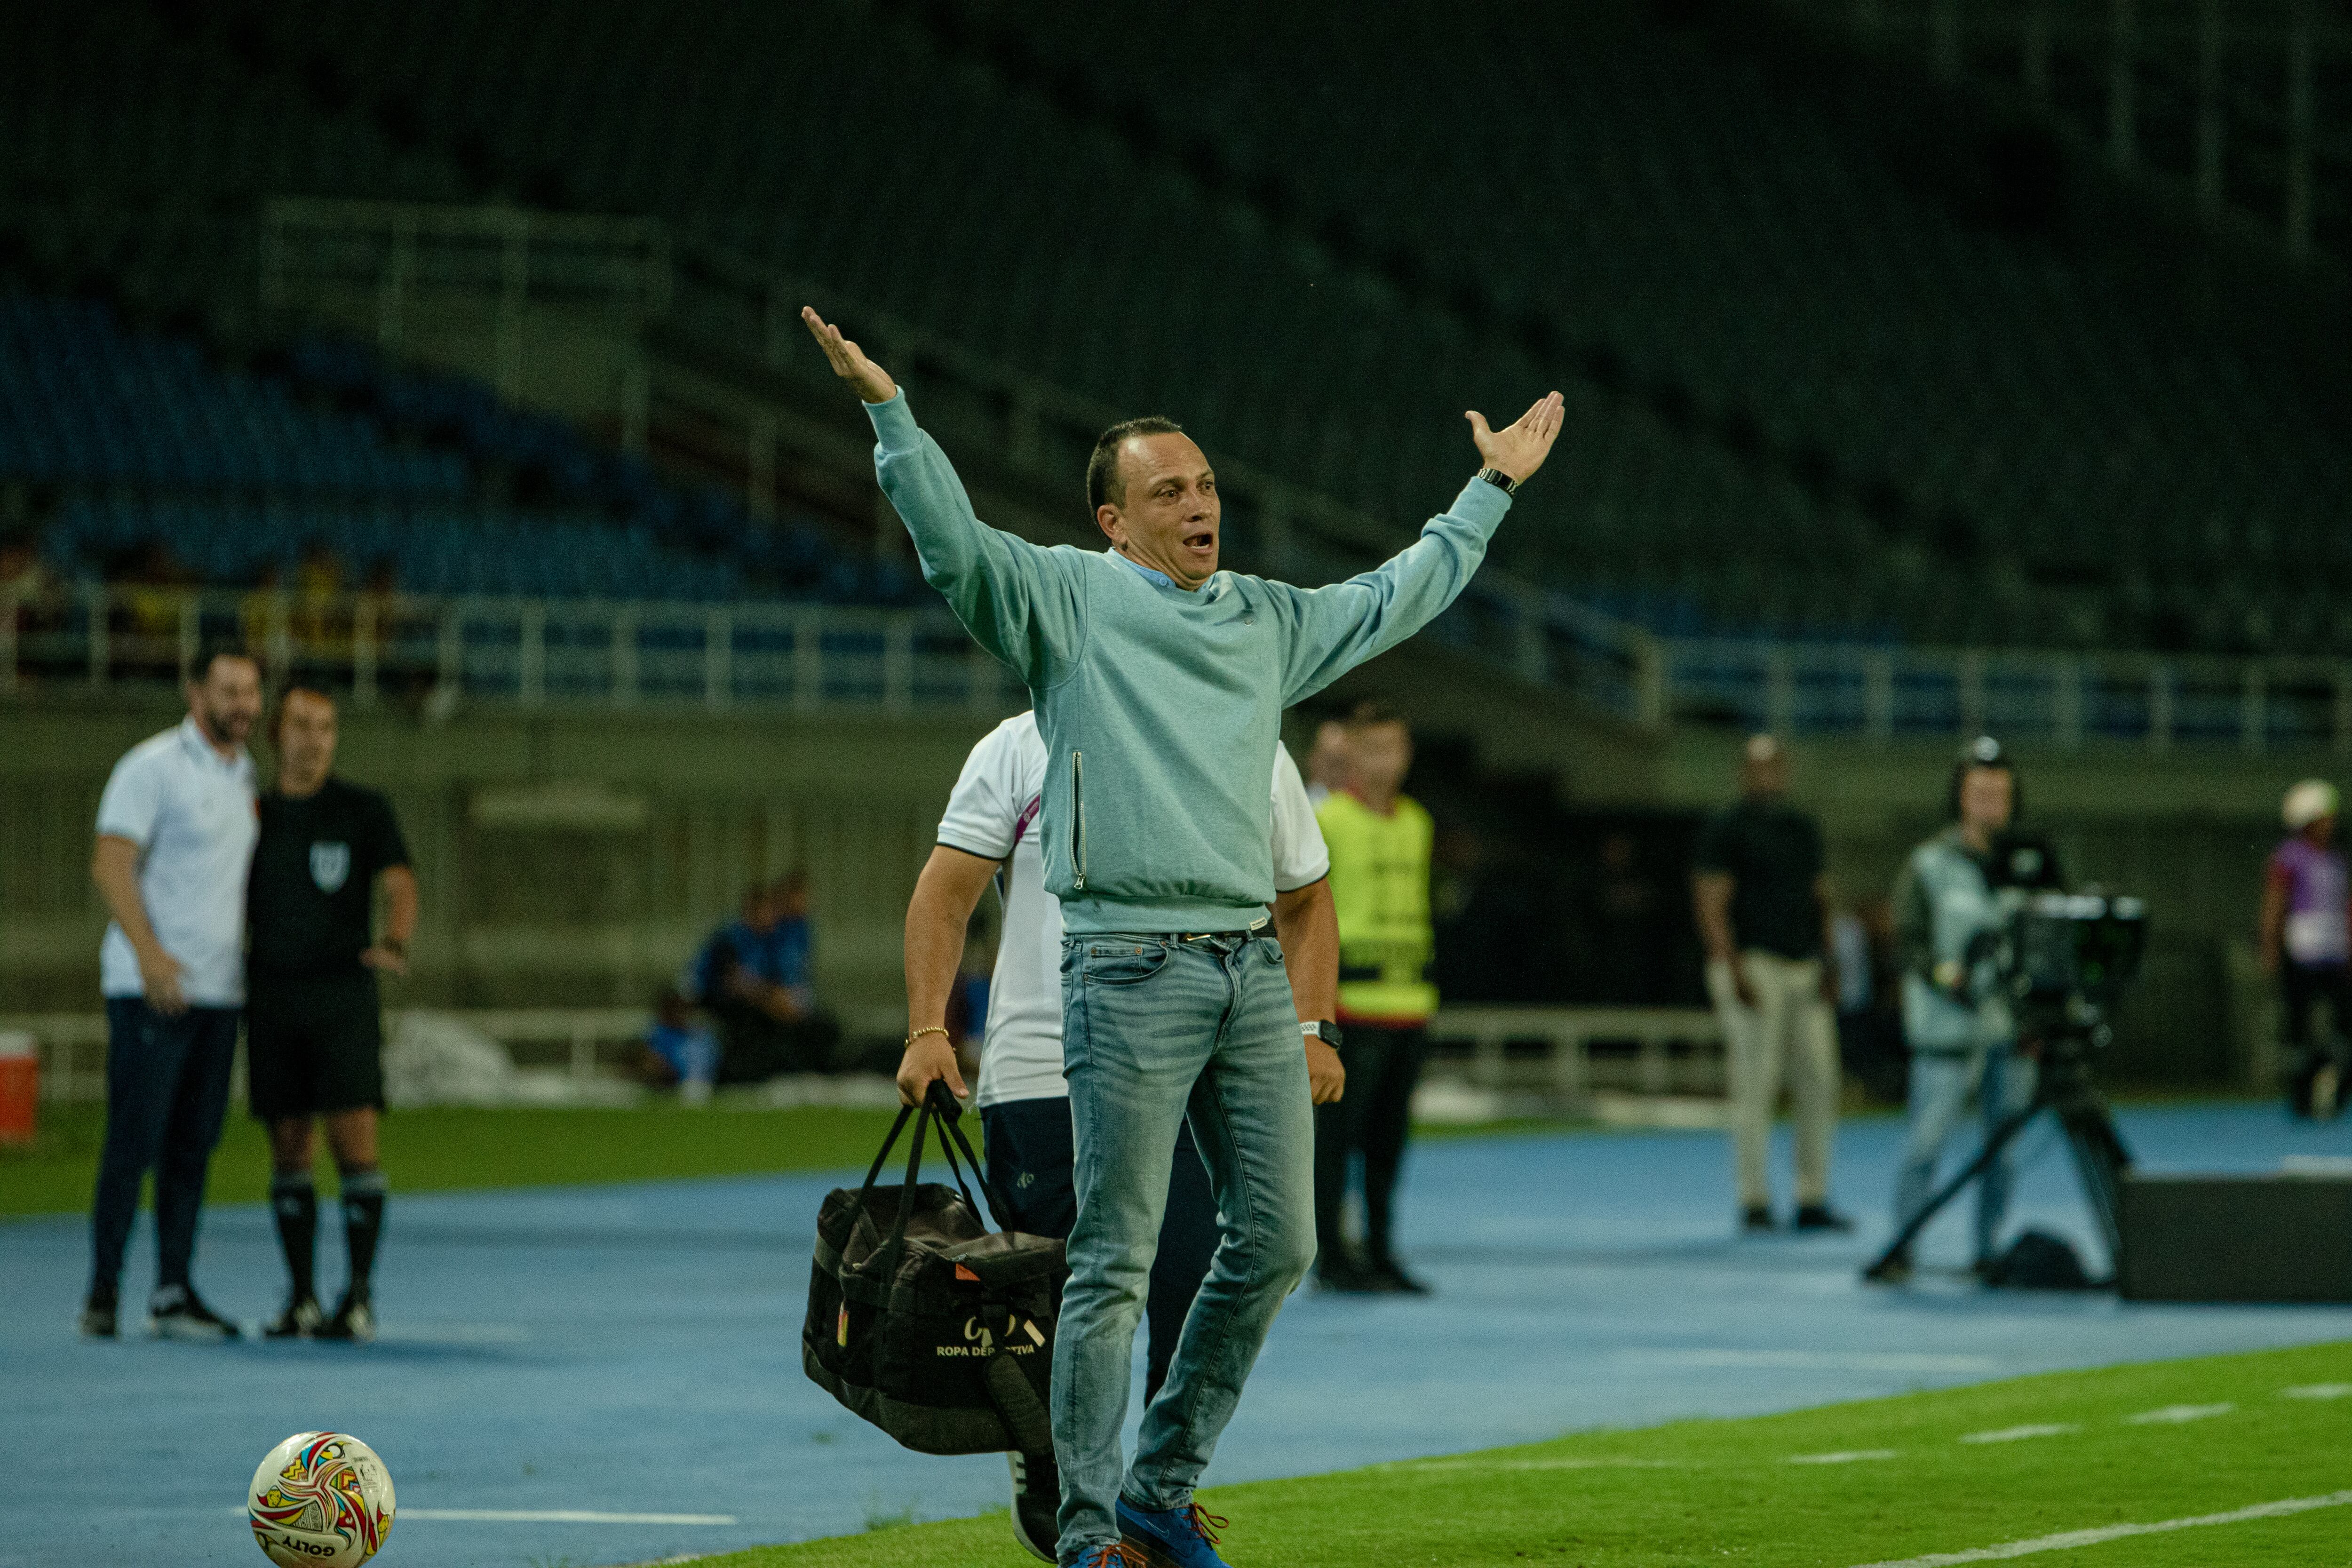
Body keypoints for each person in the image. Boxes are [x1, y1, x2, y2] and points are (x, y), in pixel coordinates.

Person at [804, 304, 1561, 1568]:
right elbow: (953, 548)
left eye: (1206, 483)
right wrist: (893, 415)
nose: (1199, 503)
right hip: (1129, 968)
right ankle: (1091, 1530)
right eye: (1169, 489)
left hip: (1245, 967)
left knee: (1280, 1241)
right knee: (1113, 1258)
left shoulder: (1265, 617)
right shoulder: (1066, 600)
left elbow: (1397, 593)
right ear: (1114, 519)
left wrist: (1488, 488)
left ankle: (1158, 1482)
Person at [903, 709, 1341, 1562]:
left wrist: (1311, 1023)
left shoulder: (1240, 730)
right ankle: (1061, 1478)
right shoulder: (1021, 743)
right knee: (1057, 1298)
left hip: (1188, 1070)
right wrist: (927, 1029)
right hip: (1041, 1072)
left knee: (1191, 1279)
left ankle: (1149, 1493)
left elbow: (1306, 893)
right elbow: (945, 891)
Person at [82, 641, 263, 1340]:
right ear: (196, 695)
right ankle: (102, 1294)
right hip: (150, 988)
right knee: (133, 1143)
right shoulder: (151, 766)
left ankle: (173, 1292)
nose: (242, 705)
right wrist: (152, 957)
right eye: (229, 691)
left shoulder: (246, 775)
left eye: (251, 692)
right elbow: (110, 862)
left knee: (193, 1147)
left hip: (219, 994)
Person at [245, 684, 418, 1342]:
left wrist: (395, 939)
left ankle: (360, 1296)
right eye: (301, 726)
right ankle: (301, 1298)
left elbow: (400, 880)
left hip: (343, 994)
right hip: (271, 994)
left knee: (355, 1143)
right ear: (276, 736)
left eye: (326, 727)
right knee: (289, 1146)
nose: (314, 739)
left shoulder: (362, 809)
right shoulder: (252, 812)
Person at [1883, 736, 2035, 1281]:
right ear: (1960, 797)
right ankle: (1902, 1244)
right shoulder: (1928, 864)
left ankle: (1986, 1249)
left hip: (2010, 1027)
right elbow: (1908, 940)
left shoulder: (2031, 863)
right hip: (1945, 1025)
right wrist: (1948, 978)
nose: (1990, 802)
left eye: (1999, 792)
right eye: (1979, 792)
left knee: (2005, 1148)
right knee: (1926, 1141)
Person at [1691, 735, 1850, 1234]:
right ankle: (1754, 1198)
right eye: (1759, 767)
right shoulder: (1726, 829)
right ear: (1744, 772)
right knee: (1754, 1083)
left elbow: (1819, 895)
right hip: (1753, 964)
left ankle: (1811, 1196)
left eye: (1776, 766)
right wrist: (1730, 967)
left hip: (1803, 966)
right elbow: (1710, 902)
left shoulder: (1802, 828)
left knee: (1819, 1081)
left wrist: (1829, 960)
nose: (1769, 775)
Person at [1312, 702, 1438, 1293]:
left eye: (1394, 748)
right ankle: (1334, 1257)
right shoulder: (1328, 820)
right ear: (1351, 756)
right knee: (1337, 1142)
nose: (1385, 762)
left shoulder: (1417, 822)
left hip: (1410, 1003)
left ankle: (1383, 1250)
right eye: (1373, 749)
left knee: (1389, 1143)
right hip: (1350, 1009)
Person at [682, 873, 839, 1081]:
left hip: (756, 1002)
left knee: (818, 1027)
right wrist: (770, 1000)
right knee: (755, 1026)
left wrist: (785, 1001)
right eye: (767, 910)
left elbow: (779, 981)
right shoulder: (730, 937)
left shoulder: (770, 940)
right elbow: (732, 983)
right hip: (717, 1002)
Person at [2261, 779, 2351, 1120]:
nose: (2331, 823)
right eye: (2325, 816)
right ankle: (2301, 1096)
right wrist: (2270, 945)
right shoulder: (2289, 856)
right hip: (2302, 952)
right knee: (2298, 1027)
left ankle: (2335, 1091)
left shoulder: (2337, 859)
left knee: (2343, 1027)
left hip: (2335, 953)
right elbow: (2275, 903)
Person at [638, 985, 718, 1104]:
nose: (679, 1013)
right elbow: (650, 1061)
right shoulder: (656, 1033)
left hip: (702, 1086)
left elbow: (712, 1063)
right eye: (674, 1008)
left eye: (683, 1008)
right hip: (668, 1087)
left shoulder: (701, 1034)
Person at [1302, 717, 1351, 806]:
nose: (1337, 771)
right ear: (1313, 759)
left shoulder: (1359, 805)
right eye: (1331, 762)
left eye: (1342, 762)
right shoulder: (1300, 802)